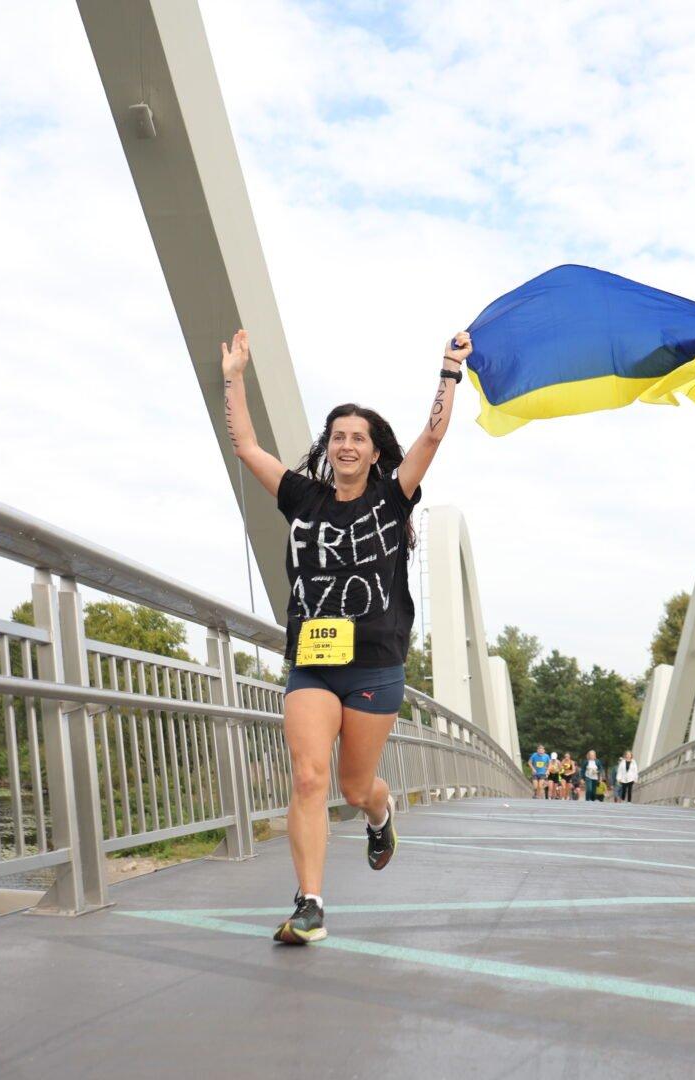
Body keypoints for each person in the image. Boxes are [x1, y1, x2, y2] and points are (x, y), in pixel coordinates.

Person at [221, 326, 472, 946]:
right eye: (338, 436)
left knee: (356, 786)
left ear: (374, 450)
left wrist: (449, 371)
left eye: (359, 437)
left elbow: (433, 436)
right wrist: (234, 377)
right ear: (328, 447)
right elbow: (246, 445)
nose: (347, 445)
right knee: (309, 777)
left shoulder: (392, 497)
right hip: (312, 661)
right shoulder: (303, 498)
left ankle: (380, 814)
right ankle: (309, 904)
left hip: (374, 665)